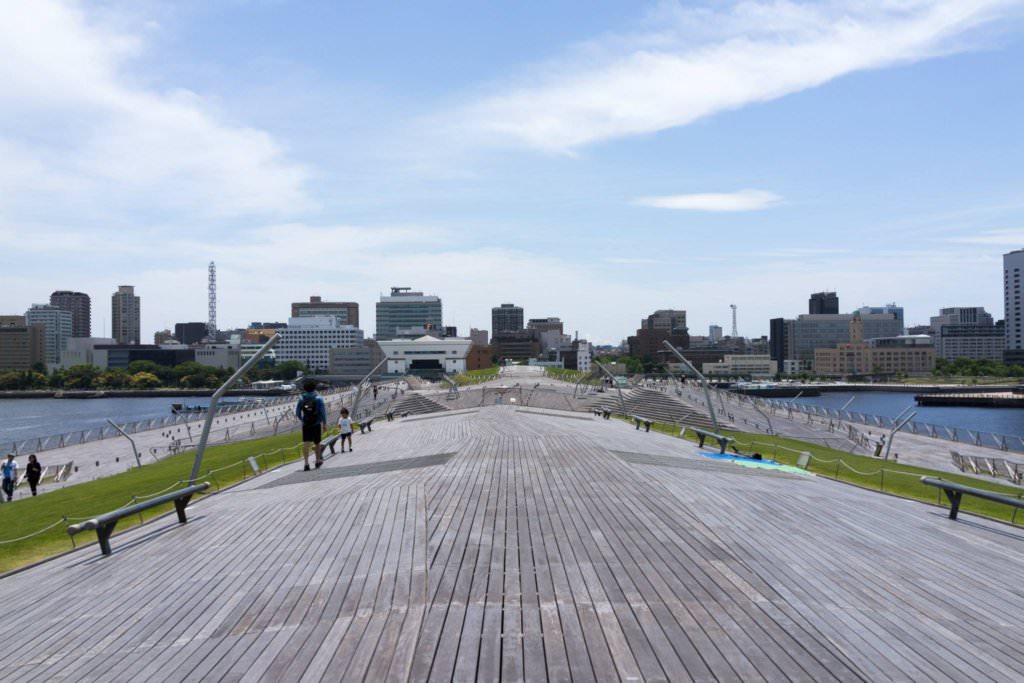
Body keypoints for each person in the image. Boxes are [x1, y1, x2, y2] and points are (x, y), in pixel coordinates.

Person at [295, 379, 327, 471]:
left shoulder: (301, 399)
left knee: (306, 443)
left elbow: (297, 413)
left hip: (306, 424)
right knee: (317, 443)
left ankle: (306, 464)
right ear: (314, 388)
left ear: (305, 389)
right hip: (316, 423)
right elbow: (323, 412)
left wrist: (303, 420)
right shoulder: (318, 398)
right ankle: (317, 461)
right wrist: (324, 424)